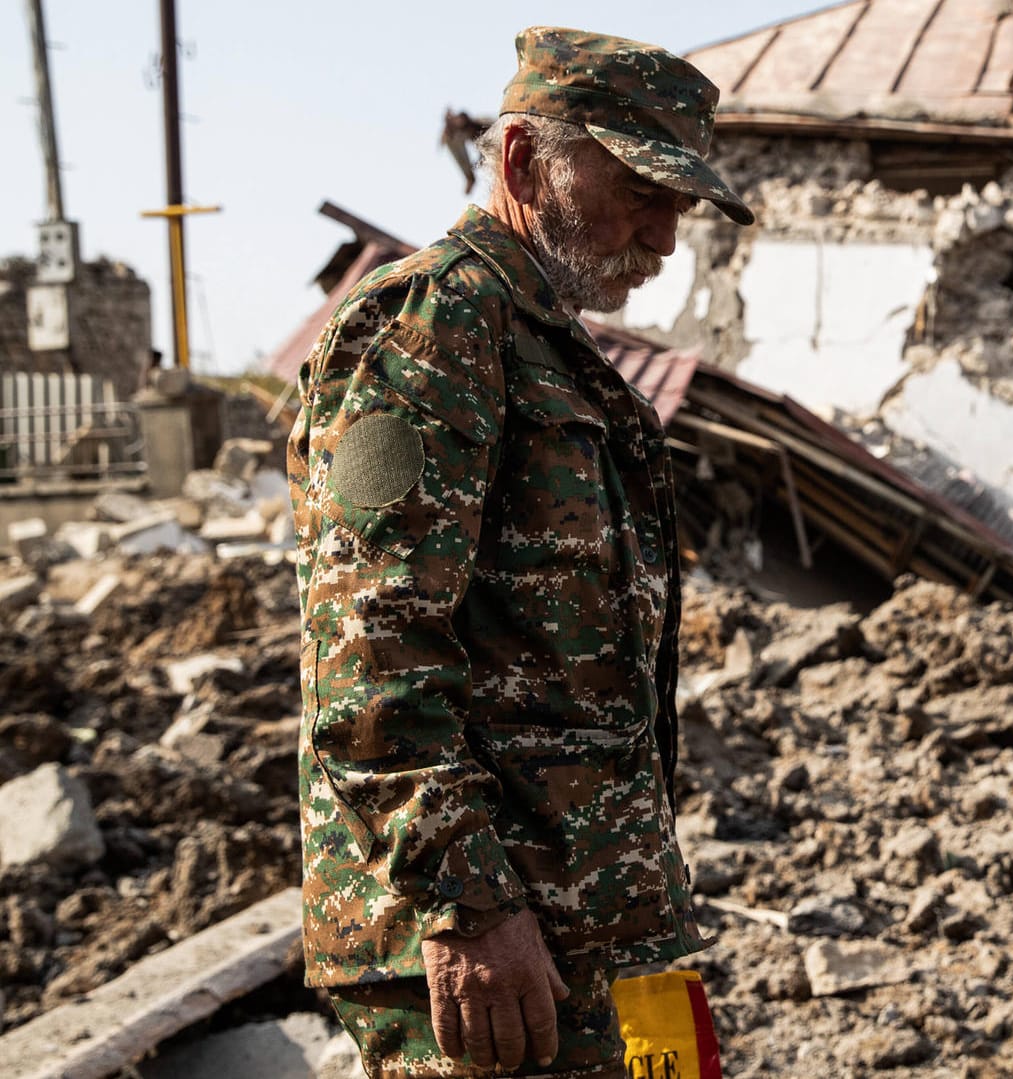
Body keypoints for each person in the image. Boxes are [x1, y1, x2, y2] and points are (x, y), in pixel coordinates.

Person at [288, 26, 753, 1078]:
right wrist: (467, 904)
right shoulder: (430, 328)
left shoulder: (547, 341)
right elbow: (371, 648)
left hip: (611, 913)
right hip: (502, 939)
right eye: (641, 188)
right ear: (521, 161)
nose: (665, 236)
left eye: (679, 204)